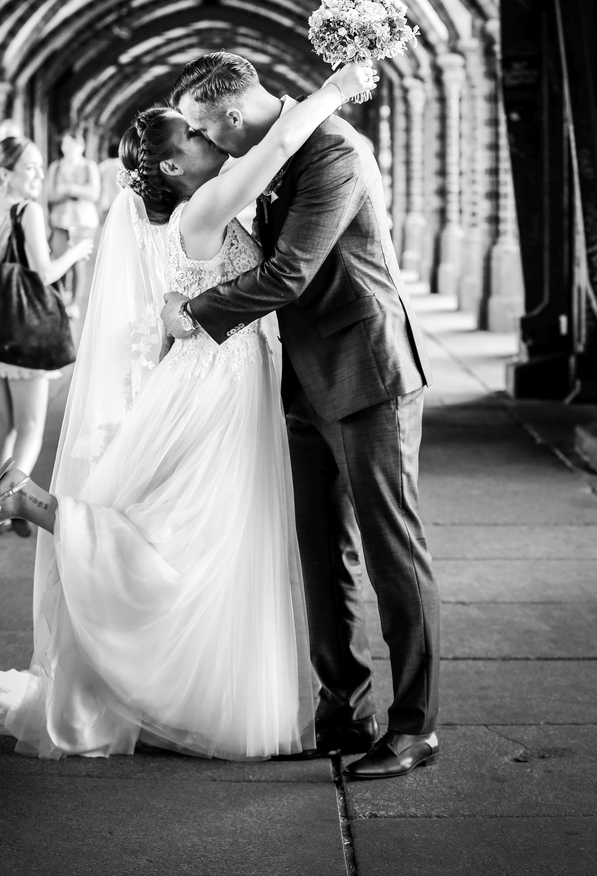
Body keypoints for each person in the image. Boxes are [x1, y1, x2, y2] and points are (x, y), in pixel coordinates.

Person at [0, 60, 377, 761]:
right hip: (222, 388)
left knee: (198, 536)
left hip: (215, 374)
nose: (213, 138)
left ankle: (180, 691)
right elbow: (274, 148)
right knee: (192, 538)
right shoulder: (202, 209)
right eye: (198, 135)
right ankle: (31, 503)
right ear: (175, 164)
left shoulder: (195, 207)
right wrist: (332, 89)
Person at [162, 52, 440, 780]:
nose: (198, 140)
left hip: (366, 372)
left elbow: (291, 271)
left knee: (392, 552)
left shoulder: (335, 151)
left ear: (227, 113)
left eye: (198, 125)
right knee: (324, 557)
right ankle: (344, 713)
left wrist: (191, 313)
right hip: (305, 383)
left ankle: (415, 728)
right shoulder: (271, 151)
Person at [0, 136, 93, 534]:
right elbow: (43, 272)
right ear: (4, 174)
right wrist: (76, 252)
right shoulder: (27, 211)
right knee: (30, 424)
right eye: (29, 168)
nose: (37, 175)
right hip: (19, 324)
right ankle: (9, 500)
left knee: (4, 422)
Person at [45, 129, 100, 319]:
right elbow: (50, 193)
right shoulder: (55, 167)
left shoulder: (89, 166)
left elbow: (94, 193)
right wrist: (75, 192)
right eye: (65, 144)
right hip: (60, 220)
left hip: (83, 221)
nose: (68, 148)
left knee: (78, 263)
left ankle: (75, 303)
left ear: (81, 146)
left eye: (72, 144)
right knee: (59, 259)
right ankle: (59, 299)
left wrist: (68, 189)